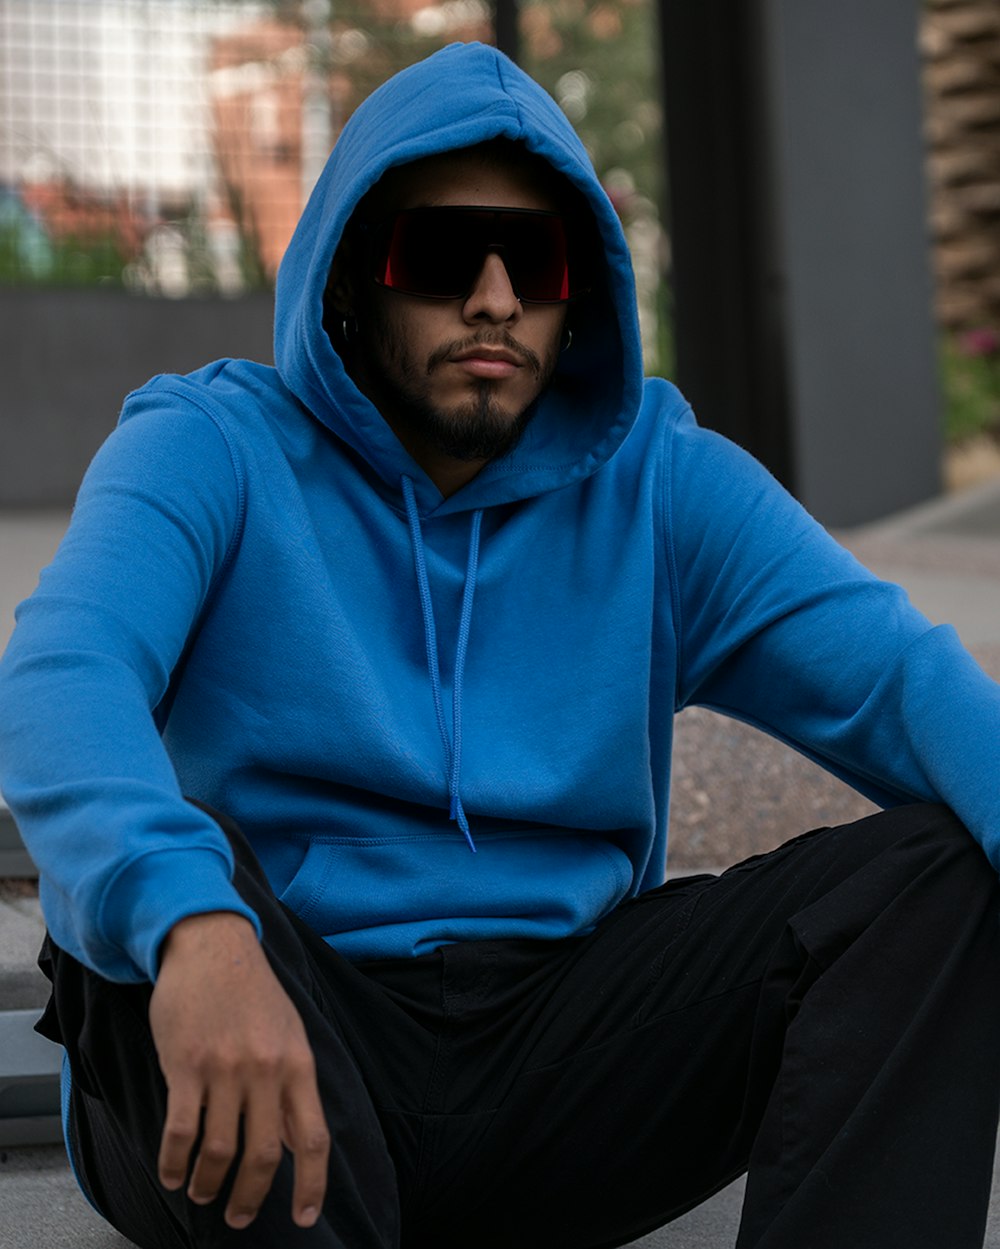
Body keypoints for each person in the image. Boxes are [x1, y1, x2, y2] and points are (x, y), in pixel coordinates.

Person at [1, 40, 999, 1249]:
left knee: (936, 876)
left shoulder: (658, 485)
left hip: (560, 1047)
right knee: (144, 885)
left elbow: (901, 681)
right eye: (437, 255)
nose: (491, 297)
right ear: (351, 280)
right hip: (278, 1026)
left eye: (534, 258)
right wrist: (191, 926)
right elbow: (65, 672)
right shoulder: (211, 446)